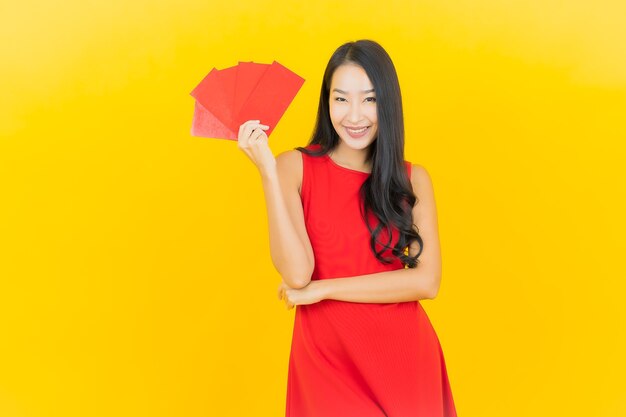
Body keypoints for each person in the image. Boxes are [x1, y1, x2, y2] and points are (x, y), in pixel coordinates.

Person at [237, 39, 457, 417]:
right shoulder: (294, 167)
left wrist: (325, 290)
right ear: (327, 103)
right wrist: (267, 174)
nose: (354, 115)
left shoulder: (413, 179)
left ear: (387, 104)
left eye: (369, 99)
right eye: (341, 99)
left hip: (404, 360)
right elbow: (297, 273)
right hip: (327, 362)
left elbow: (427, 282)